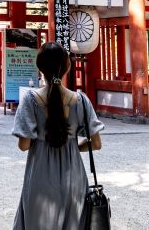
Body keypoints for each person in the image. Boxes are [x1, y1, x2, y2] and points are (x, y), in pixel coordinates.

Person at [12, 42, 104, 229]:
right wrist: (72, 145)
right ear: (67, 67)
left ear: (40, 68)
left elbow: (24, 145)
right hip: (74, 176)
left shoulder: (30, 100)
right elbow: (96, 143)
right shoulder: (81, 100)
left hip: (40, 175)